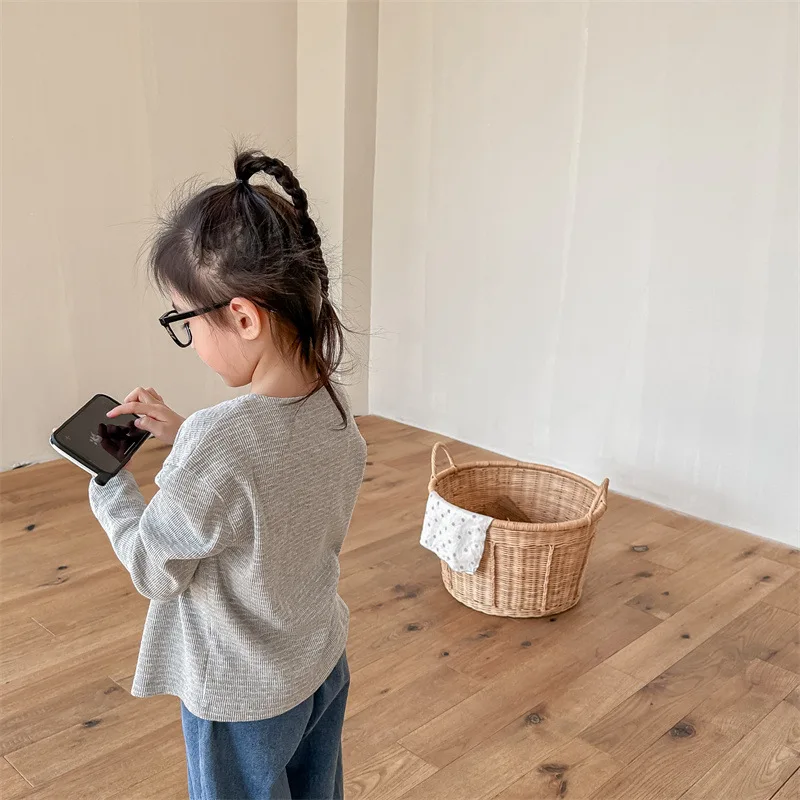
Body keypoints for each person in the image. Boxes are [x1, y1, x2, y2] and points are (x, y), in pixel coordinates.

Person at [88, 149, 367, 800]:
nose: (190, 340)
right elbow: (272, 467)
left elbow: (154, 569)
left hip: (243, 697)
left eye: (184, 322)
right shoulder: (331, 405)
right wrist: (187, 436)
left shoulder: (221, 442)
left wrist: (110, 486)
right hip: (320, 660)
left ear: (243, 317)